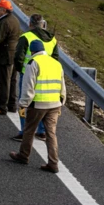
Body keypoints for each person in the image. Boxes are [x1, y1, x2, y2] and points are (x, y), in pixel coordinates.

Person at [10, 39, 65, 173]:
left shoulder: (33, 62)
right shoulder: (56, 63)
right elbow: (62, 85)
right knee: (51, 134)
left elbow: (28, 86)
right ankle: (53, 163)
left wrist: (23, 104)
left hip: (38, 104)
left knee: (29, 130)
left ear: (32, 51)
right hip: (54, 104)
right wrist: (61, 101)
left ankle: (23, 156)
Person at [0, 0, 22, 114]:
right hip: (13, 54)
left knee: (3, 82)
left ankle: (1, 106)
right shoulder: (14, 20)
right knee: (12, 81)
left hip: (4, 56)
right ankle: (12, 105)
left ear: (3, 10)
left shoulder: (4, 22)